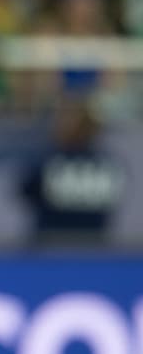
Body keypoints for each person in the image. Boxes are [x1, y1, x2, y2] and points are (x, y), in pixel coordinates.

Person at [18, 95, 124, 248]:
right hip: (88, 250)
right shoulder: (110, 165)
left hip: (54, 249)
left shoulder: (45, 163)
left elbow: (26, 192)